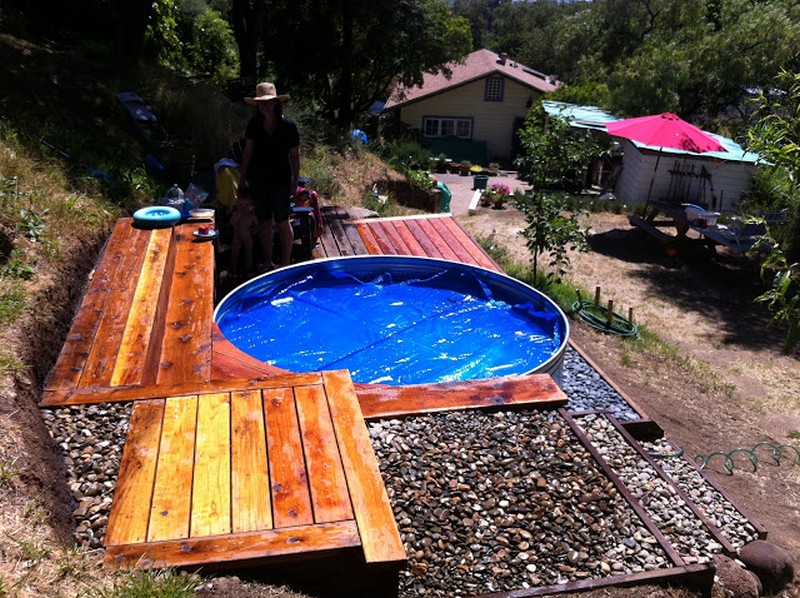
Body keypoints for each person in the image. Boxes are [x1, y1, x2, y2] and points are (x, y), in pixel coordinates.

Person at [239, 82, 300, 270]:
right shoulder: (254, 125)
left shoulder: (288, 125)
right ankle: (267, 262)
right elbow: (248, 153)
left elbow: (295, 155)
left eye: (269, 102)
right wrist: (242, 178)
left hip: (281, 179)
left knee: (282, 221)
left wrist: (295, 181)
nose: (265, 106)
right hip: (258, 180)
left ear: (275, 102)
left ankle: (285, 262)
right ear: (257, 105)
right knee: (264, 222)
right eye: (261, 103)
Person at [229, 188, 259, 277]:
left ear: (251, 205)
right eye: (241, 204)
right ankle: (232, 270)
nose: (243, 207)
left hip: (248, 238)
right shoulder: (237, 214)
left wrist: (255, 229)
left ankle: (248, 270)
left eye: (246, 205)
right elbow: (232, 222)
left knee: (248, 254)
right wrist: (238, 215)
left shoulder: (252, 216)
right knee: (234, 254)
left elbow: (257, 225)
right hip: (237, 238)